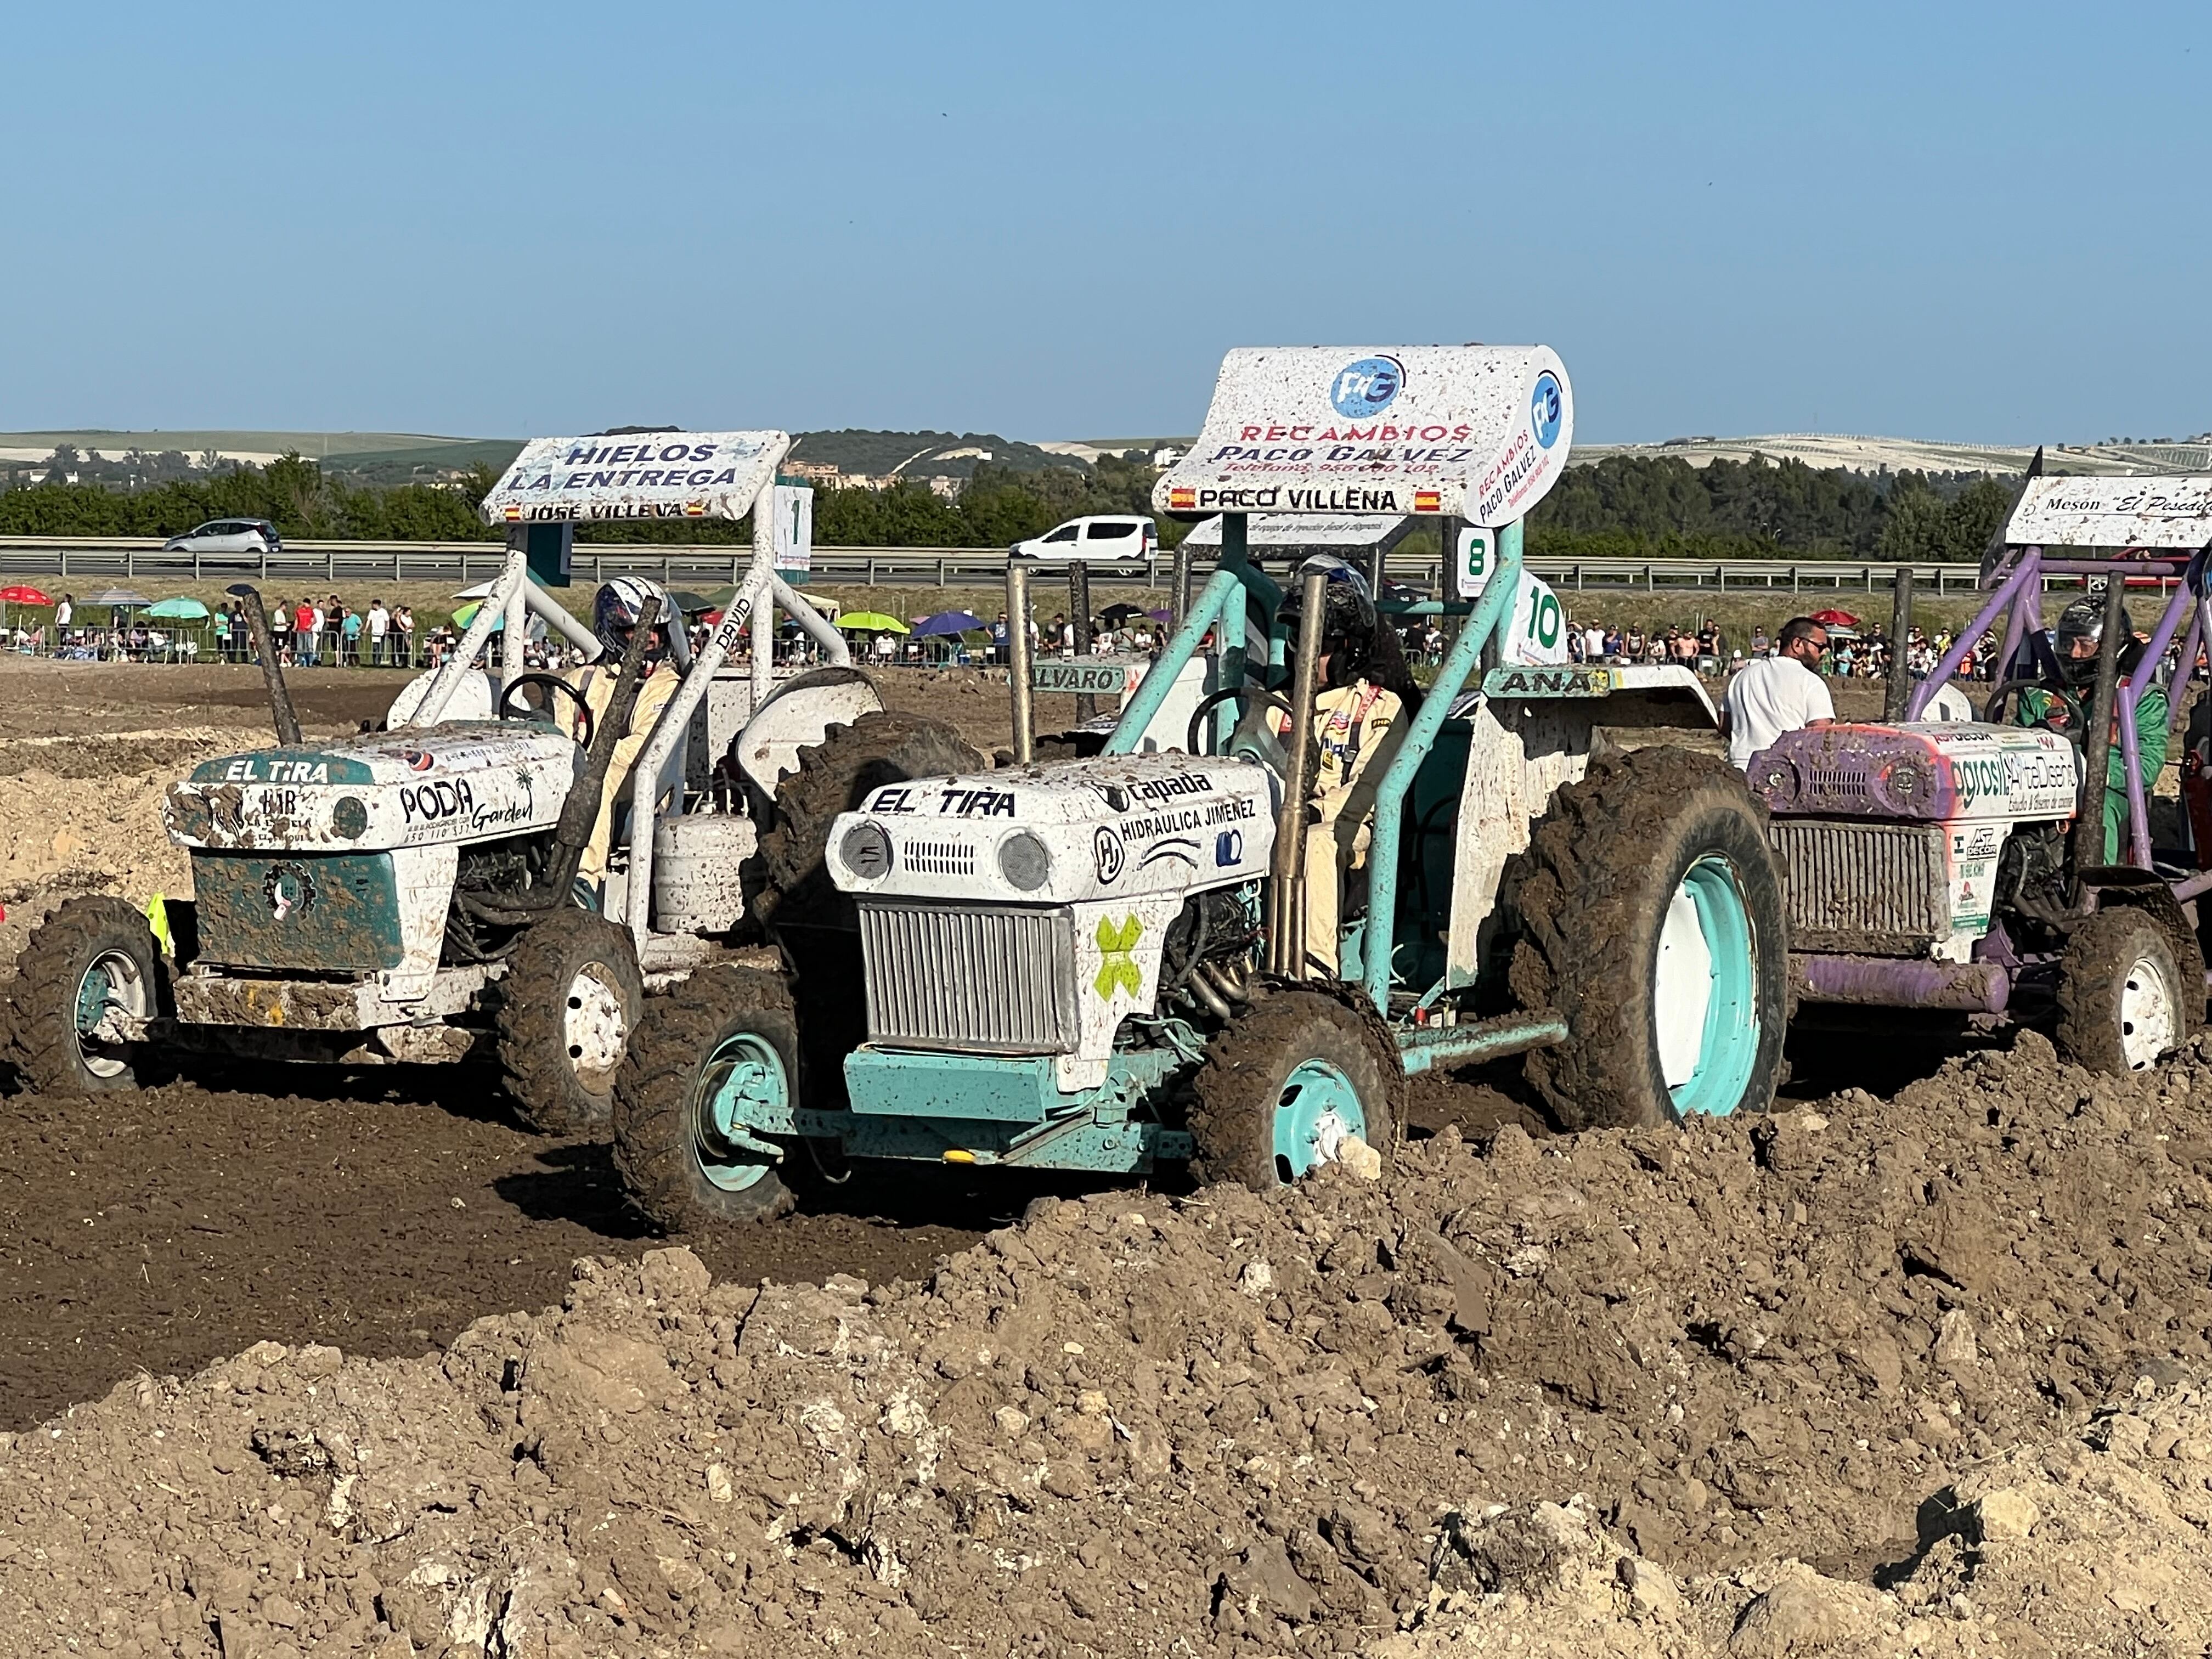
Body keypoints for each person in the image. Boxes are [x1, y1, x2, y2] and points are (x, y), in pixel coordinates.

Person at [1269, 557, 1423, 977]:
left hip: (1352, 834)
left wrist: (1315, 811)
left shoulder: (1382, 708)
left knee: (1316, 842)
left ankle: (1317, 974)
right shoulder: (1272, 707)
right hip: (1278, 819)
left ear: (1348, 650)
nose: (1305, 654)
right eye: (1299, 639)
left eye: (1318, 645)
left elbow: (1372, 789)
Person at [557, 577, 686, 902]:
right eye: (638, 633)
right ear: (612, 632)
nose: (651, 640)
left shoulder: (666, 684)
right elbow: (556, 741)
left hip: (644, 785)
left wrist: (586, 765)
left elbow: (644, 748)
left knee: (600, 769)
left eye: (657, 632)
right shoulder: (578, 681)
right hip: (577, 775)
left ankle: (583, 883)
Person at [2014, 592, 2165, 864]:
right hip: (2044, 788)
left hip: (2111, 794)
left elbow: (2148, 767)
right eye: (2069, 643)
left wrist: (2091, 770)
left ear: (2110, 649)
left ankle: (2095, 887)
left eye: (2085, 645)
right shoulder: (2038, 696)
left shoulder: (2141, 698)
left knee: (2097, 800)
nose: (2074, 653)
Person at [1722, 616, 1836, 770]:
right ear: (1798, 644)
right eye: (1820, 647)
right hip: (1784, 774)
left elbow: (1725, 725)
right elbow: (1821, 736)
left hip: (1739, 770)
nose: (1823, 653)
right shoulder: (1811, 682)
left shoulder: (1741, 677)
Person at [367, 598, 390, 666]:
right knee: (375, 648)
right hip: (375, 633)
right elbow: (369, 620)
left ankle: (379, 661)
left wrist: (387, 629)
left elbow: (387, 620)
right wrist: (366, 629)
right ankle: (375, 662)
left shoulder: (383, 611)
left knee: (380, 648)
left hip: (381, 633)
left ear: (376, 605)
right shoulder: (372, 612)